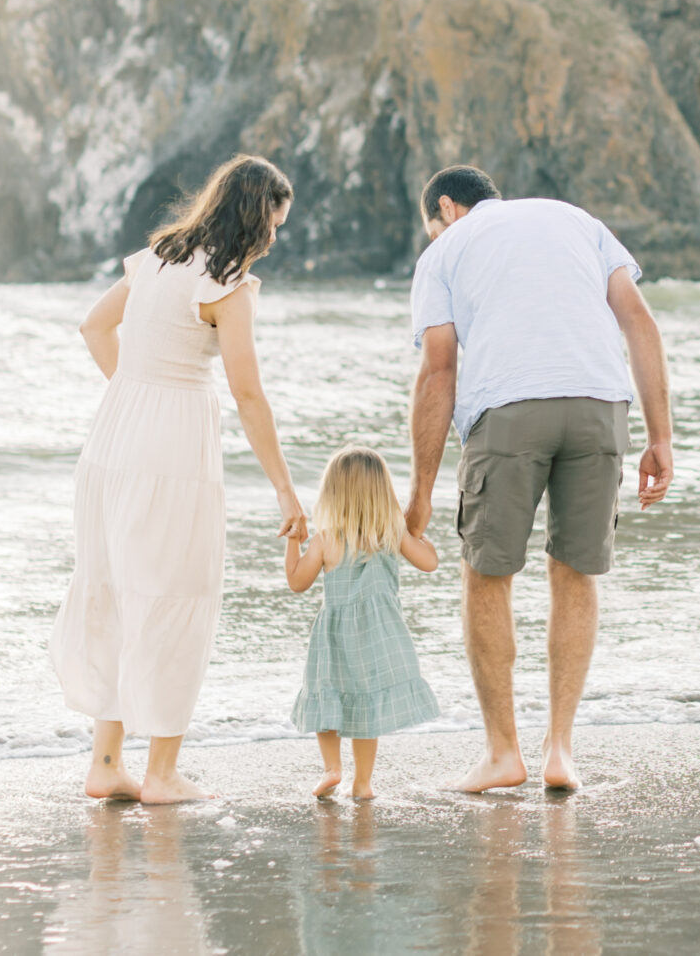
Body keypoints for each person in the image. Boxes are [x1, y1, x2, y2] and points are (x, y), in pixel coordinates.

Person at [402, 165, 676, 793]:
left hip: (508, 408)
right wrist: (661, 438)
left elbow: (438, 372)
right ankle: (561, 750)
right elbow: (640, 323)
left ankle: (503, 754)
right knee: (575, 572)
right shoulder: (575, 219)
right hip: (599, 406)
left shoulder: (445, 248)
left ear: (445, 207)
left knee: (488, 574)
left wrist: (419, 494)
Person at [51, 154, 308, 803]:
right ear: (251, 218)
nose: (273, 239)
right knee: (177, 596)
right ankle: (161, 772)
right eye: (272, 224)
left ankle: (106, 763)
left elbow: (93, 326)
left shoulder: (156, 257)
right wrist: (284, 487)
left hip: (113, 438)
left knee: (116, 593)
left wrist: (138, 392)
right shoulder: (228, 285)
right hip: (171, 449)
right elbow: (248, 393)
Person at [286, 446, 443, 799]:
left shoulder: (325, 540)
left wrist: (294, 542)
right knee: (366, 705)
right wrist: (417, 530)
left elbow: (297, 582)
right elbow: (430, 563)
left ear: (332, 494)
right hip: (378, 637)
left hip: (334, 636)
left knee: (327, 696)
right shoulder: (391, 534)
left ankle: (332, 768)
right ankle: (363, 782)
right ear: (383, 492)